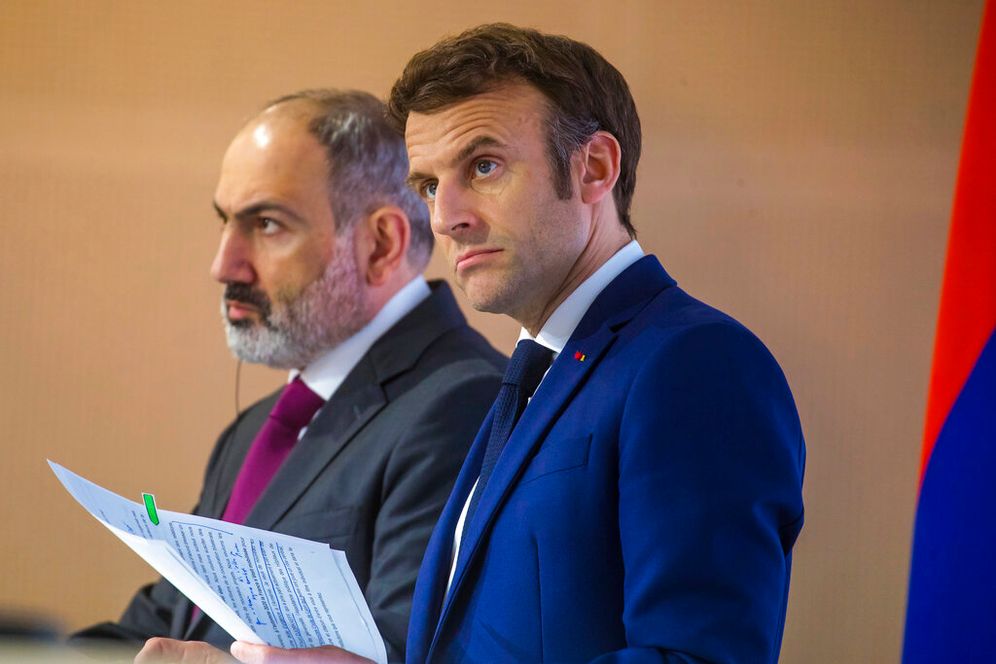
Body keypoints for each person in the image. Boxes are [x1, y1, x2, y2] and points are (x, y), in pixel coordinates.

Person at [156, 23, 806, 664]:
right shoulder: (536, 376)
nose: (446, 217)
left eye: (485, 166)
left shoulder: (693, 364)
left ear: (595, 169)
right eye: (431, 185)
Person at [71, 89, 505, 662]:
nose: (224, 265)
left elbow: (409, 651)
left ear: (380, 244)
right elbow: (169, 619)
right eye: (227, 222)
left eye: (268, 224)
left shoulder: (463, 405)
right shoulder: (253, 432)